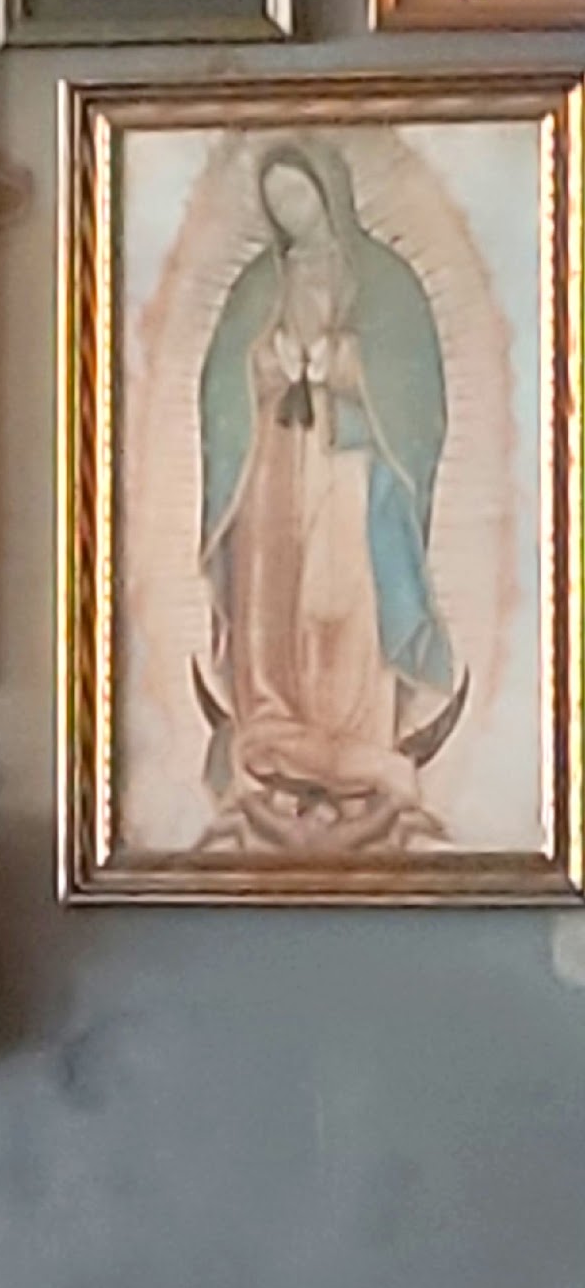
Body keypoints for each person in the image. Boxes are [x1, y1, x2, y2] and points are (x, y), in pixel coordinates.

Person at [195, 139, 460, 850]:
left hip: (350, 465)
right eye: (276, 200)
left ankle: (355, 740)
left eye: (298, 195)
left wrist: (344, 364)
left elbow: (417, 392)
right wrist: (263, 364)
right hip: (272, 463)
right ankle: (273, 724)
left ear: (330, 192)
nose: (289, 210)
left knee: (343, 598)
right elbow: (220, 385)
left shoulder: (385, 281)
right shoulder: (258, 284)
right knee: (272, 596)